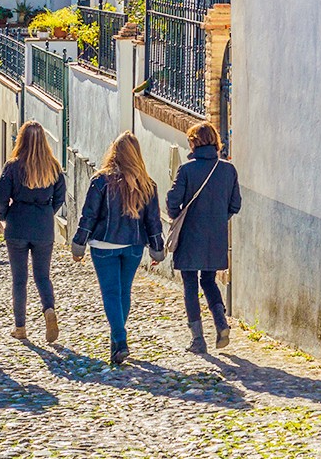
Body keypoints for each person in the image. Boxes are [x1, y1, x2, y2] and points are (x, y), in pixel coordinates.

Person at [71, 131, 164, 365]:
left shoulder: (101, 181)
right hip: (133, 245)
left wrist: (79, 242)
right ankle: (116, 345)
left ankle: (120, 341)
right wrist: (156, 247)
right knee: (124, 292)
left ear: (115, 152)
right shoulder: (147, 184)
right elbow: (153, 220)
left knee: (111, 293)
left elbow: (89, 215)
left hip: (104, 244)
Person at [165, 122, 242, 354]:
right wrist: (218, 219)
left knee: (190, 284)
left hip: (189, 236)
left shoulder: (187, 170)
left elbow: (172, 201)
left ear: (194, 142)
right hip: (215, 237)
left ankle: (198, 339)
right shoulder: (229, 170)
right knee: (209, 281)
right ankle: (221, 324)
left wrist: (177, 217)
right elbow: (235, 204)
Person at [0, 121, 67, 343]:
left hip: (18, 224)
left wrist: (5, 215)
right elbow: (60, 197)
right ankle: (48, 309)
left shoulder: (13, 166)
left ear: (21, 140)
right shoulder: (53, 167)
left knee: (19, 279)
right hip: (43, 227)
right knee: (42, 275)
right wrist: (47, 212)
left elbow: (0, 195)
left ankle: (20, 327)